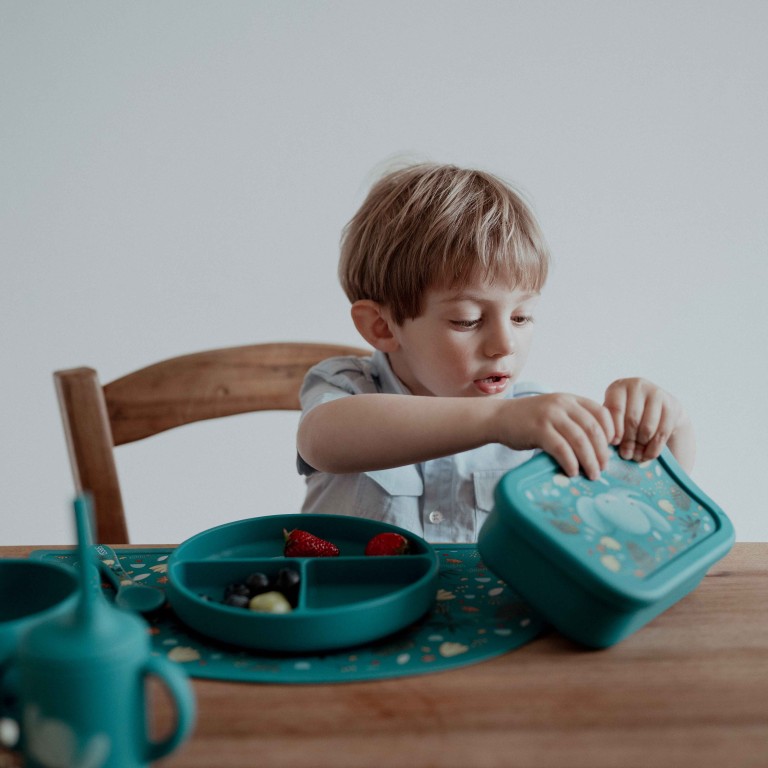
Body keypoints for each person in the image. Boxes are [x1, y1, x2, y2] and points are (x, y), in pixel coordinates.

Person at [296, 163, 695, 542]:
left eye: (521, 317)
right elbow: (321, 440)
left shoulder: (536, 419)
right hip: (354, 611)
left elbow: (644, 513)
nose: (505, 345)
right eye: (468, 320)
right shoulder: (347, 385)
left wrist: (666, 426)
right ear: (382, 326)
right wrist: (499, 419)